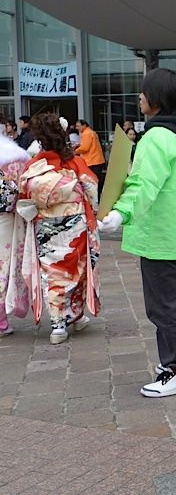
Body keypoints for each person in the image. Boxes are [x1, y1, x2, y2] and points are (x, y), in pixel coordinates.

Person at [98, 68, 176, 398]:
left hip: (161, 239)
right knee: (175, 304)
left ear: (157, 98)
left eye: (144, 92)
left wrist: (120, 212)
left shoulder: (156, 137)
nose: (140, 97)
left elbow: (142, 184)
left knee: (165, 308)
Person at [17, 113, 100, 344]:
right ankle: (74, 314)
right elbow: (91, 189)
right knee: (77, 270)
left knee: (52, 273)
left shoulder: (33, 165)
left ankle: (58, 325)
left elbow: (24, 196)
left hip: (46, 225)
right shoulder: (74, 162)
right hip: (75, 224)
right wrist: (94, 211)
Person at [0, 135, 31, 337]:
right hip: (7, 218)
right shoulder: (15, 156)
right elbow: (20, 191)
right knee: (4, 266)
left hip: (6, 217)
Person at [75, 119, 106, 189]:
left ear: (84, 125)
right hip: (96, 160)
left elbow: (84, 148)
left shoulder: (86, 133)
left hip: (92, 160)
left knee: (92, 181)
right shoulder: (91, 132)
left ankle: (96, 195)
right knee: (97, 180)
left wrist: (75, 151)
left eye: (78, 126)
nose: (77, 128)